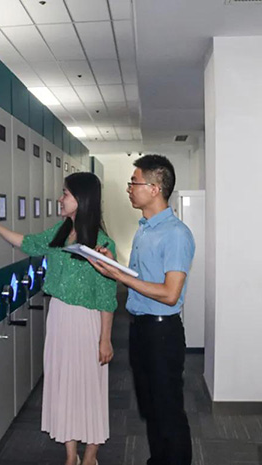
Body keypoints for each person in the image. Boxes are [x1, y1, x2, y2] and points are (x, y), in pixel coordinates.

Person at [0, 172, 117, 465]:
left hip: (87, 321)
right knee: (62, 385)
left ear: (81, 199)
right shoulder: (60, 232)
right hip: (59, 317)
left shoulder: (102, 243)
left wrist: (105, 339)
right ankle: (70, 456)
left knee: (89, 388)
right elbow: (28, 243)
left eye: (65, 193)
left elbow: (107, 297)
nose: (60, 198)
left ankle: (90, 456)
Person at [89, 154, 194, 465]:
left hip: (162, 332)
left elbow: (170, 293)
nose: (129, 188)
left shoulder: (175, 234)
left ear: (154, 188)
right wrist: (114, 265)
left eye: (133, 182)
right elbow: (143, 279)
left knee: (168, 410)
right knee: (151, 408)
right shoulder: (145, 229)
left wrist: (121, 277)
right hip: (142, 328)